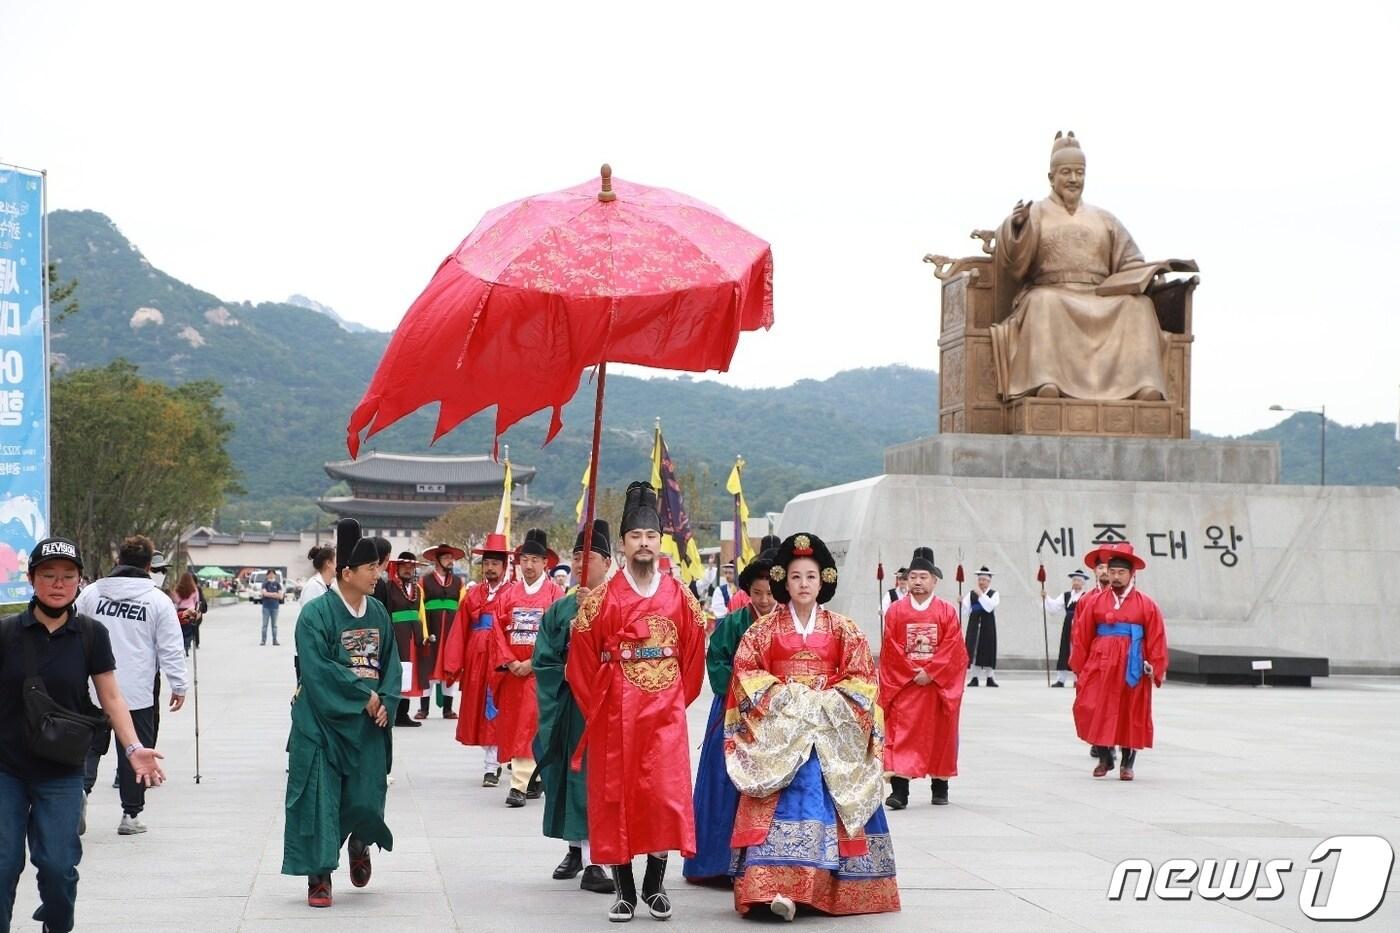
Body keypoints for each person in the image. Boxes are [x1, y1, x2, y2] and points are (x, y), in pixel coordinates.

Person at [725, 532, 899, 920]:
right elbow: (746, 673)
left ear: (823, 582)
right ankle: (776, 887)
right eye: (796, 577)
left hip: (829, 732)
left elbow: (863, 679)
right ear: (783, 582)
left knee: (829, 790)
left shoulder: (844, 629)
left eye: (811, 576)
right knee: (784, 792)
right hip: (781, 737)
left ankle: (824, 889)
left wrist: (827, 703)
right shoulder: (763, 630)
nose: (803, 584)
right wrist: (789, 700)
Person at [0, 538, 168, 933]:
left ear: (80, 581)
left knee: (58, 867)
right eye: (48, 575)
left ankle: (56, 924)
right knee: (3, 864)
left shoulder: (91, 634)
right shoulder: (6, 634)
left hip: (61, 769)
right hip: (6, 767)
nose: (58, 584)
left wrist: (133, 747)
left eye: (68, 576)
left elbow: (111, 696)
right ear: (31, 580)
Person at [566, 482, 707, 923]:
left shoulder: (679, 595)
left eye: (650, 536)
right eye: (635, 536)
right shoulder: (602, 598)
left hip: (665, 716)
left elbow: (693, 655)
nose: (643, 543)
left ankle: (655, 885)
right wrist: (601, 706)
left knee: (664, 796)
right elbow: (580, 662)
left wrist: (674, 698)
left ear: (660, 542)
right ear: (622, 545)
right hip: (617, 716)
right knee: (619, 800)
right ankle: (625, 891)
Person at [988, 132, 1172, 402]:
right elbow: (1012, 261)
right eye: (1066, 172)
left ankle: (1143, 385)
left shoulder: (1104, 218)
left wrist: (1150, 276)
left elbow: (1130, 261)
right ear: (1051, 177)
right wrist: (1016, 227)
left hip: (1098, 294)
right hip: (1052, 290)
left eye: (1079, 173)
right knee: (1043, 303)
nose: (1074, 179)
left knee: (1139, 306)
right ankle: (1045, 381)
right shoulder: (1035, 212)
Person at [282, 518, 400, 909]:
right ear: (346, 573)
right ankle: (319, 875)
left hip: (367, 722)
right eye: (371, 568)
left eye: (378, 567)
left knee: (366, 796)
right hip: (321, 721)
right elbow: (317, 667)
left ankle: (360, 841)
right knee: (319, 799)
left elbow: (391, 663)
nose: (377, 574)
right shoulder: (315, 614)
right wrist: (361, 695)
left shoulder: (378, 612)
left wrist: (386, 700)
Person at [682, 536, 780, 884]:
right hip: (733, 711)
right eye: (757, 593)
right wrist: (743, 692)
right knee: (724, 784)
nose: (764, 600)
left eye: (770, 593)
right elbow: (717, 661)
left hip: (776, 716)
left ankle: (766, 865)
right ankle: (715, 864)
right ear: (748, 593)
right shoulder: (734, 622)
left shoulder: (786, 623)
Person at [74, 535, 186, 836]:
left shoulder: (91, 594)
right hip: (137, 690)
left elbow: (73, 632)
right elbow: (170, 646)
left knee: (89, 747)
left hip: (93, 687)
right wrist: (179, 684)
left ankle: (80, 792)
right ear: (149, 566)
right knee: (135, 748)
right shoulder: (157, 600)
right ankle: (131, 815)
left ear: (118, 561)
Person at [532, 519, 615, 895]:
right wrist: (566, 671)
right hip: (569, 706)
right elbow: (544, 659)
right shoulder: (559, 609)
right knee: (567, 776)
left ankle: (598, 859)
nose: (582, 562)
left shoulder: (619, 605)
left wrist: (594, 615)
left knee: (597, 781)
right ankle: (575, 850)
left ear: (608, 563)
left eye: (591, 556)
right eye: (577, 555)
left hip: (604, 706)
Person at [1070, 542, 1168, 781]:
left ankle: (1127, 762)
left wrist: (1154, 664)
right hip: (1100, 663)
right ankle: (1105, 756)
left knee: (1129, 711)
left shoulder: (1146, 604)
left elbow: (1156, 635)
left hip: (1132, 663)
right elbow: (1082, 634)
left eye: (1121, 572)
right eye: (1112, 571)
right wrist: (1080, 667)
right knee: (1091, 706)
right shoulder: (1095, 601)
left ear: (1131, 574)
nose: (1115, 576)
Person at [881, 548, 968, 809]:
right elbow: (891, 648)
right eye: (913, 577)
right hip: (906, 683)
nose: (917, 582)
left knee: (940, 733)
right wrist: (912, 672)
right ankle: (900, 791)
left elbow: (954, 647)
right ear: (906, 580)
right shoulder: (895, 611)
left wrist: (931, 672)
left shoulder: (946, 611)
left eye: (923, 577)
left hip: (937, 685)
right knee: (902, 734)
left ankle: (940, 786)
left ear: (934, 580)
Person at [492, 529, 563, 808]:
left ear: (546, 563)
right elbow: (497, 631)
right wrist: (510, 661)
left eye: (535, 560)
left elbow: (559, 635)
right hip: (513, 673)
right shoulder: (508, 594)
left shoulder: (555, 594)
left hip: (541, 673)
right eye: (525, 559)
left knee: (532, 724)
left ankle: (519, 785)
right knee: (516, 725)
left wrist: (533, 662)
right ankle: (533, 777)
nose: (529, 565)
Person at [442, 533, 510, 786]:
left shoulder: (512, 593)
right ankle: (494, 758)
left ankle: (494, 764)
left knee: (497, 708)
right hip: (476, 660)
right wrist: (453, 663)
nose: (490, 568)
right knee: (480, 711)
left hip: (502, 659)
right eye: (487, 563)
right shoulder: (472, 594)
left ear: (504, 566)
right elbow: (460, 629)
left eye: (495, 563)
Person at [382, 552, 429, 728]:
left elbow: (421, 614)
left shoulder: (417, 590)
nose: (408, 570)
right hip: (397, 634)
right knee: (399, 671)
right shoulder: (388, 587)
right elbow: (386, 611)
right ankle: (394, 713)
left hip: (413, 635)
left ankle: (404, 713)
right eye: (404, 566)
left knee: (410, 673)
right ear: (397, 567)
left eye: (411, 567)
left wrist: (424, 635)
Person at [419, 544, 466, 720]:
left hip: (452, 630)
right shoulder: (424, 581)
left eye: (451, 558)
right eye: (446, 558)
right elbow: (419, 605)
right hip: (431, 627)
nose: (450, 561)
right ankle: (424, 709)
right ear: (437, 561)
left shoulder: (459, 582)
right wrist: (422, 630)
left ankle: (448, 708)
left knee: (450, 666)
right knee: (428, 666)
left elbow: (463, 606)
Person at [1045, 569, 1090, 687]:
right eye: (1074, 580)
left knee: (1077, 650)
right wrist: (1046, 598)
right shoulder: (1066, 595)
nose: (1076, 583)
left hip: (1080, 624)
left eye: (1078, 581)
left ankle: (1078, 678)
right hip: (1068, 624)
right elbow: (1054, 606)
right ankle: (1061, 679)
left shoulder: (1086, 596)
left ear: (1083, 583)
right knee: (1065, 649)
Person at [962, 567, 1000, 687]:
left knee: (988, 649)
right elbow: (965, 612)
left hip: (988, 626)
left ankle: (990, 677)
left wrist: (981, 595)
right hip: (974, 625)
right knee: (973, 650)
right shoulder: (971, 594)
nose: (981, 582)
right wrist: (961, 603)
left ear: (989, 581)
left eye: (984, 580)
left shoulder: (994, 594)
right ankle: (974, 677)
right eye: (980, 580)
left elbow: (989, 607)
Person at [172, 571, 205, 656]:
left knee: (181, 630)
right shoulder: (194, 589)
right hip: (191, 611)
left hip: (181, 611)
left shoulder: (177, 589)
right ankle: (187, 645)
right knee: (189, 630)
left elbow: (176, 601)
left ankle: (182, 645)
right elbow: (197, 601)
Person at [261, 569, 286, 646]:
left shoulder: (278, 584)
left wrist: (270, 594)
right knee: (265, 625)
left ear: (275, 575)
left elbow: (280, 596)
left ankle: (275, 640)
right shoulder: (265, 584)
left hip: (275, 607)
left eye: (273, 574)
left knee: (274, 625)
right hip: (266, 607)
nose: (271, 575)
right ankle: (263, 640)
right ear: (267, 575)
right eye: (270, 574)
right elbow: (264, 593)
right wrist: (274, 594)